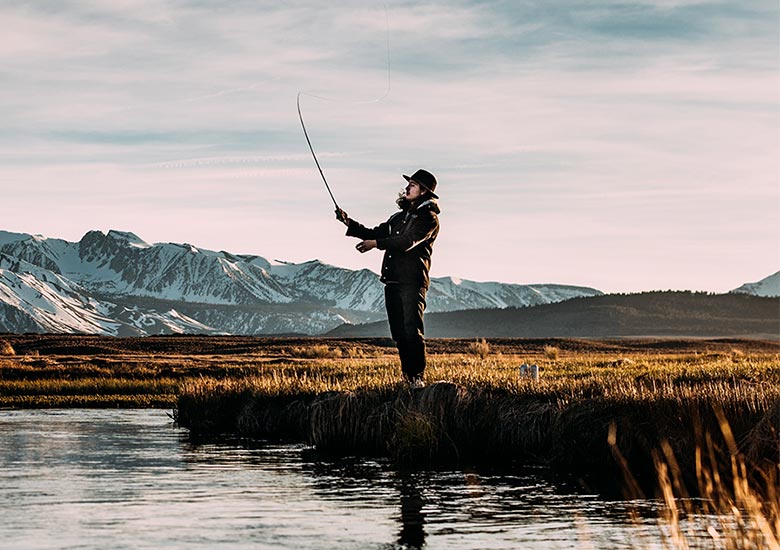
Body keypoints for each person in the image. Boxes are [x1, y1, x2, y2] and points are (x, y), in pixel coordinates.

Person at [336, 169, 441, 388]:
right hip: (393, 280)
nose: (407, 188)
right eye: (408, 184)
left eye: (412, 184)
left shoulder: (429, 219)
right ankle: (408, 379)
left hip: (412, 281)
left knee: (412, 330)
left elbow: (407, 242)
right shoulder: (398, 217)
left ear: (424, 191)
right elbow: (375, 232)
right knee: (399, 333)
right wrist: (348, 222)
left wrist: (376, 244)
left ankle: (417, 379)